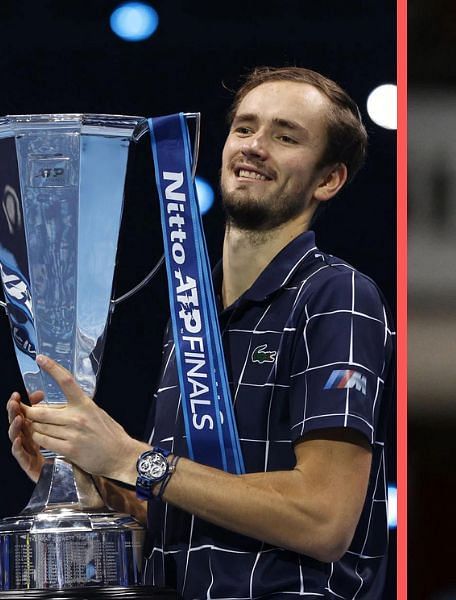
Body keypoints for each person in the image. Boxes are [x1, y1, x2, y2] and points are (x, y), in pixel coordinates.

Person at [5, 66, 394, 598]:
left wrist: (127, 457)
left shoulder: (336, 295)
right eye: (245, 128)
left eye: (285, 136)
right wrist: (91, 482)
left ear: (328, 179)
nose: (255, 146)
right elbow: (189, 531)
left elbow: (322, 520)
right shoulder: (192, 314)